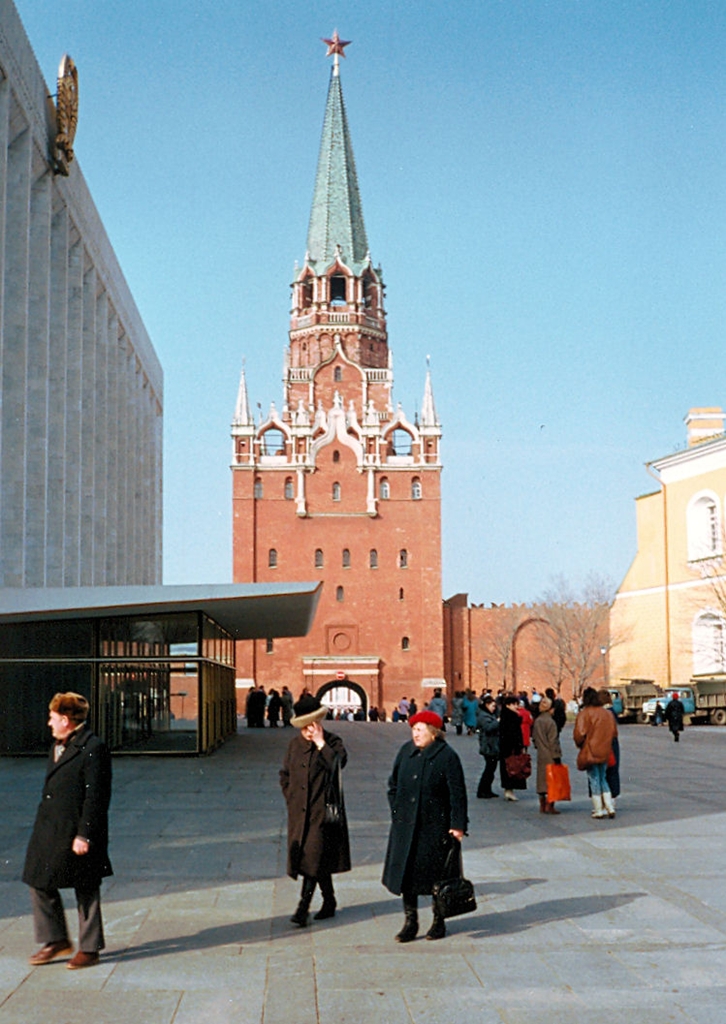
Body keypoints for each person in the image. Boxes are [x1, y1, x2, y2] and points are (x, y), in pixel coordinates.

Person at [23, 692, 112, 970]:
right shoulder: (57, 746)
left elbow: (96, 797)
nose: (49, 723)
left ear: (65, 719)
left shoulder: (92, 748)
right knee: (38, 879)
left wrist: (84, 834)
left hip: (78, 830)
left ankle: (90, 948)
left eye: (52, 718)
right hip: (50, 827)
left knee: (85, 886)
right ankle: (55, 939)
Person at [382, 710, 468, 942]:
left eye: (420, 730)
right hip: (405, 827)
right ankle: (410, 922)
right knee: (407, 877)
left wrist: (457, 825)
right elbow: (393, 786)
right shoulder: (405, 752)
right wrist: (397, 812)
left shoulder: (447, 756)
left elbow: (457, 794)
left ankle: (438, 921)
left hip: (434, 828)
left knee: (436, 878)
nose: (415, 734)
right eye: (414, 729)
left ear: (433, 733)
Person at [279, 695, 350, 927]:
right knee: (315, 858)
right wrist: (290, 796)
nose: (309, 730)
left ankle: (302, 908)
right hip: (299, 813)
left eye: (313, 725)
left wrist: (321, 744)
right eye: (305, 726)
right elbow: (285, 774)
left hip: (323, 812)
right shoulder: (294, 745)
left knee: (312, 856)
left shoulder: (332, 741)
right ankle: (329, 901)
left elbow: (338, 764)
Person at [573, 687, 618, 819]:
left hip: (590, 750)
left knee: (594, 779)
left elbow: (579, 735)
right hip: (605, 750)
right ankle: (609, 807)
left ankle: (598, 809)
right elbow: (614, 733)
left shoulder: (584, 713)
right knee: (603, 778)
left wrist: (580, 744)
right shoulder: (607, 714)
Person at [531, 697, 562, 814]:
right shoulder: (550, 722)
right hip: (550, 754)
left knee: (542, 780)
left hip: (541, 753)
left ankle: (542, 805)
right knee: (552, 780)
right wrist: (557, 755)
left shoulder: (537, 721)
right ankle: (550, 805)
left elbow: (534, 737)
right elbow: (553, 741)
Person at [499, 694, 527, 802]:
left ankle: (508, 790)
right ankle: (509, 791)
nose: (516, 706)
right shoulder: (511, 717)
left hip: (506, 748)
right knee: (512, 769)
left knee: (508, 769)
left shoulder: (506, 716)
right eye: (514, 704)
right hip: (511, 748)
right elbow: (513, 734)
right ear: (508, 705)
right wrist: (519, 747)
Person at [598, 688, 621, 801]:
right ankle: (613, 796)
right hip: (612, 743)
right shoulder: (612, 711)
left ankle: (602, 798)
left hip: (601, 743)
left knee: (601, 772)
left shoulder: (599, 713)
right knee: (613, 769)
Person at [475, 695, 500, 798]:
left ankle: (487, 789)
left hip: (491, 745)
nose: (494, 708)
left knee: (491, 769)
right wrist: (497, 722)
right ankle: (482, 790)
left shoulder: (489, 714)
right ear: (487, 705)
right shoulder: (484, 716)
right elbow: (488, 727)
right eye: (493, 706)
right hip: (488, 746)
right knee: (489, 769)